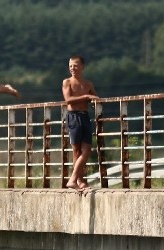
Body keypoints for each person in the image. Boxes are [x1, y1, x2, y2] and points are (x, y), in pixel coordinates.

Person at [62, 55, 99, 191]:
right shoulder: (67, 82)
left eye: (75, 65)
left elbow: (95, 97)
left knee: (86, 149)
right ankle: (79, 180)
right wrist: (86, 96)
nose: (73, 68)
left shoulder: (88, 84)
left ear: (82, 67)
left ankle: (74, 179)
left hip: (85, 116)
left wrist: (93, 100)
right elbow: (68, 100)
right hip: (73, 117)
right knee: (76, 150)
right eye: (71, 66)